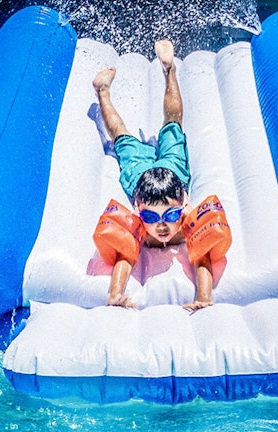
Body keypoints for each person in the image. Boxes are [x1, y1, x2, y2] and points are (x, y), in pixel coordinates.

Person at [92, 40, 230, 312]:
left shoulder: (185, 220)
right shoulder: (140, 226)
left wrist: (204, 297)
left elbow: (202, 257)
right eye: (151, 218)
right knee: (122, 136)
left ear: (182, 206)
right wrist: (115, 293)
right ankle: (103, 91)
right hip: (141, 178)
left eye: (170, 216)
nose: (162, 226)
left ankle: (169, 70)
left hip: (172, 174)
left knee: (172, 124)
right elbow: (124, 257)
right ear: (137, 210)